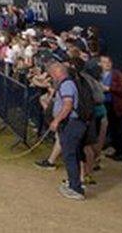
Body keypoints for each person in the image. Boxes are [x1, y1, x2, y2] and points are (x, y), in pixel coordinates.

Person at [48, 61, 87, 201]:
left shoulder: (66, 85)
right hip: (72, 123)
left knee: (70, 155)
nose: (52, 77)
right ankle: (73, 182)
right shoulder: (68, 83)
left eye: (52, 74)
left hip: (72, 123)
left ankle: (76, 188)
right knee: (72, 154)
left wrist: (56, 120)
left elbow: (67, 105)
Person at [99, 55, 122, 161]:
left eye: (108, 62)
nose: (106, 64)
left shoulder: (117, 75)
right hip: (106, 104)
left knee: (120, 130)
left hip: (117, 105)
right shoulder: (99, 75)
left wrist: (109, 88)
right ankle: (116, 150)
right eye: (104, 62)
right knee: (111, 129)